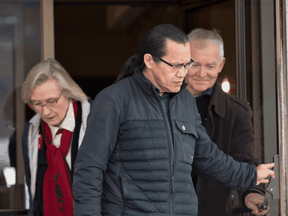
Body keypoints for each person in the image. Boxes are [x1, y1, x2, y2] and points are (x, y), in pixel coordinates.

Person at [72, 24, 274, 216]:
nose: (183, 74)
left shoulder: (185, 99)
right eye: (176, 66)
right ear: (150, 61)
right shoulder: (114, 99)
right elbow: (89, 169)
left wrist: (249, 175)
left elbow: (207, 157)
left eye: (187, 65)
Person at [185, 28, 267, 216]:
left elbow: (243, 160)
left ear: (221, 65)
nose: (202, 73)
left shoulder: (236, 111)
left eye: (210, 66)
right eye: (194, 64)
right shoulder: (161, 102)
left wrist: (251, 194)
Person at [21, 58, 91, 216]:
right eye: (37, 104)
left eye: (51, 101)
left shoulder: (96, 121)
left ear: (68, 92)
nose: (45, 112)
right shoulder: (31, 131)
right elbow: (34, 192)